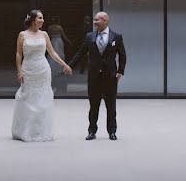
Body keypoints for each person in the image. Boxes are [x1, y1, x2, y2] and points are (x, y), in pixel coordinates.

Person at [11, 9, 72, 142]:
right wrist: (19, 71)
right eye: (40, 18)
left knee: (43, 97)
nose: (42, 20)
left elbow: (52, 53)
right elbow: (18, 54)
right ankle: (25, 130)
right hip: (28, 68)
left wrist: (64, 65)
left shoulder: (44, 34)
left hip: (43, 69)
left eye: (42, 18)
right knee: (27, 97)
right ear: (32, 19)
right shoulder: (22, 35)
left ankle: (40, 130)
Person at [66, 11, 126, 141]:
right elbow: (80, 52)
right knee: (94, 106)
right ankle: (92, 131)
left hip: (110, 77)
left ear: (105, 21)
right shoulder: (89, 37)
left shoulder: (116, 37)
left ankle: (112, 131)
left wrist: (120, 71)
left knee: (111, 106)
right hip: (94, 77)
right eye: (94, 20)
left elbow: (122, 55)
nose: (94, 22)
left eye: (97, 20)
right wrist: (70, 65)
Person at [45, 15, 72, 93]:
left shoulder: (50, 27)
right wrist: (69, 41)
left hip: (53, 40)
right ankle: (59, 67)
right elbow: (63, 35)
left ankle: (54, 67)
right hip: (59, 40)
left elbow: (49, 35)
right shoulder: (59, 27)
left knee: (52, 54)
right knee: (59, 54)